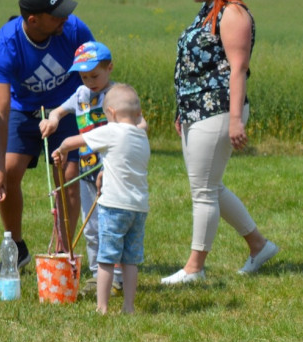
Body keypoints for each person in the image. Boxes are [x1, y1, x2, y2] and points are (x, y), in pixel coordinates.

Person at [163, 0, 277, 285]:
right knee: (210, 186)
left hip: (218, 109)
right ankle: (260, 246)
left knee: (204, 190)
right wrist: (183, 110)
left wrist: (236, 119)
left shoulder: (233, 14)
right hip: (197, 109)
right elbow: (193, 67)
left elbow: (238, 69)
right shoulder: (209, 10)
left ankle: (194, 268)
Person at [0, 0, 94, 272]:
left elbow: (96, 74)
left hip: (67, 108)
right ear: (33, 20)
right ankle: (18, 248)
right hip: (23, 111)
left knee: (68, 176)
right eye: (56, 15)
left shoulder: (75, 29)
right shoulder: (4, 46)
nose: (65, 19)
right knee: (8, 173)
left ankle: (62, 254)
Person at [40, 41, 146, 293]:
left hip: (112, 171)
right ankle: (99, 275)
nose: (90, 81)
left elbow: (141, 124)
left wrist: (126, 132)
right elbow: (58, 112)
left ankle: (117, 275)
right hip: (87, 170)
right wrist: (52, 121)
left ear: (110, 68)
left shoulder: (119, 96)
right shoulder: (80, 95)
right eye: (84, 76)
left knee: (114, 224)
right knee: (92, 227)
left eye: (95, 75)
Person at [52, 84, 149, 314]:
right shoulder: (141, 136)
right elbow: (125, 161)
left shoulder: (111, 130)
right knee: (130, 260)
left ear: (112, 113)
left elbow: (73, 141)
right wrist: (105, 172)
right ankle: (128, 306)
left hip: (114, 206)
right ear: (137, 113)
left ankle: (102, 306)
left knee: (106, 258)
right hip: (138, 207)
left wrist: (61, 150)